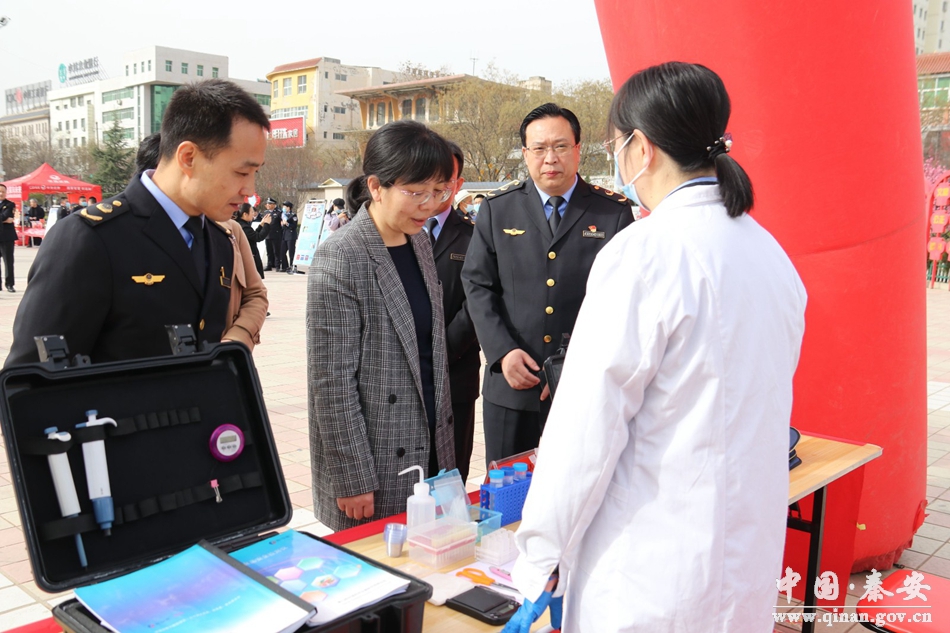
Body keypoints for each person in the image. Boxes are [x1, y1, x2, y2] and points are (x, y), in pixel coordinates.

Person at [502, 62, 808, 633]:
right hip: (742, 558)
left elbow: (586, 430)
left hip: (648, 568)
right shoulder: (768, 252)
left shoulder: (644, 253)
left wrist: (541, 555)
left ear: (640, 148)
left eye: (616, 145)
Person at [5, 79, 271, 366]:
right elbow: (30, 378)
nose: (249, 190)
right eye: (241, 172)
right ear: (188, 157)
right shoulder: (88, 239)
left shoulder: (218, 240)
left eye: (255, 173)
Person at [461, 102, 634, 465]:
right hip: (512, 383)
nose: (550, 158)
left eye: (560, 146)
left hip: (584, 386)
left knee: (582, 487)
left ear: (578, 149)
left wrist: (581, 362)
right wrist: (502, 352)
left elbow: (623, 300)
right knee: (509, 488)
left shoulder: (612, 212)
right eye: (539, 148)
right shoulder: (497, 209)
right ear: (525, 154)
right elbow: (477, 285)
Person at [306, 119, 456, 531]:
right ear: (376, 187)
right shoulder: (342, 256)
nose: (429, 205)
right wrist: (353, 476)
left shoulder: (419, 241)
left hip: (429, 439)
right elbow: (331, 381)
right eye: (416, 192)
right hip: (375, 454)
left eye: (438, 191)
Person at [425, 142, 480, 483]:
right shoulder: (399, 231)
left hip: (456, 371)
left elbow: (478, 301)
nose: (437, 184)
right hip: (405, 375)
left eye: (447, 177)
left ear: (458, 183)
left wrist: (440, 351)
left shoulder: (475, 236)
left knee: (451, 474)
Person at [235, 202, 272, 277]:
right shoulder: (243, 226)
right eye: (252, 212)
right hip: (249, 257)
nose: (254, 214)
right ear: (245, 214)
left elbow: (253, 235)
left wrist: (261, 225)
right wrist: (267, 224)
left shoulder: (242, 224)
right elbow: (258, 237)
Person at [0, 185, 15, 292]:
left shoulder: (10, 204)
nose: (1, 194)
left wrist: (4, 219)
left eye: (3, 192)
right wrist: (4, 220)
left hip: (7, 236)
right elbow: (4, 218)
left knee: (8, 261)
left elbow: (5, 215)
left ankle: (9, 284)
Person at [278, 201, 298, 273]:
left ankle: (292, 266)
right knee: (282, 251)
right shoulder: (283, 215)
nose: (283, 208)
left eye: (285, 207)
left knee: (291, 252)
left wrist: (287, 224)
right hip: (284, 235)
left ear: (288, 208)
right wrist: (282, 224)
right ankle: (285, 266)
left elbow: (294, 226)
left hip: (291, 236)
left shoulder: (293, 215)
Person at [263, 197, 282, 271]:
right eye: (267, 204)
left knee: (276, 251)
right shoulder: (265, 212)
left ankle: (277, 266)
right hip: (267, 234)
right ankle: (269, 265)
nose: (268, 205)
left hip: (276, 235)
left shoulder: (279, 212)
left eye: (270, 204)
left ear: (274, 205)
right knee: (269, 251)